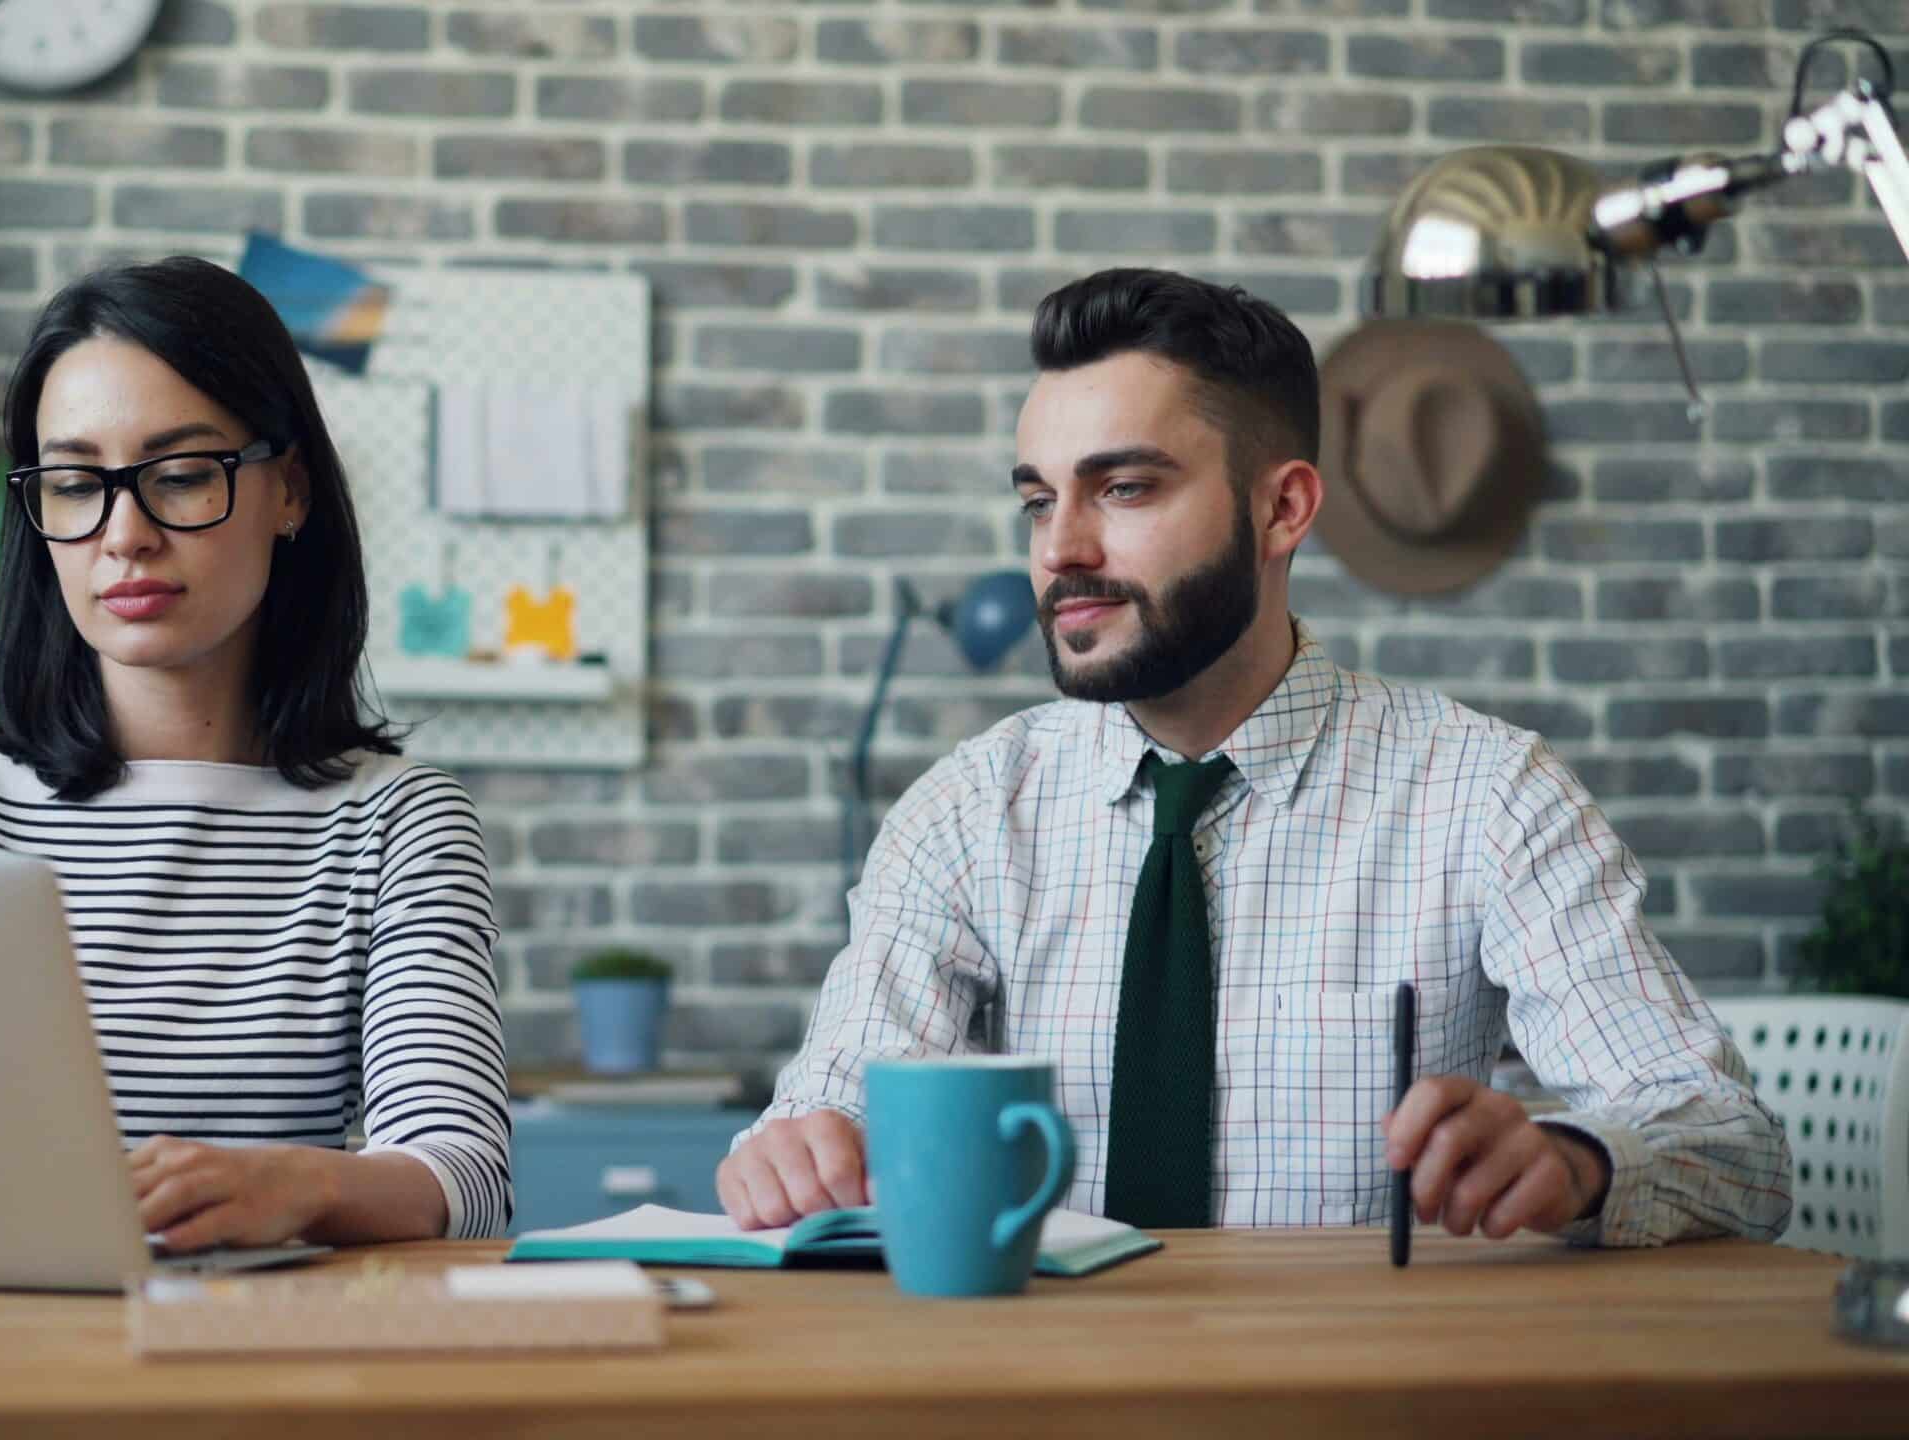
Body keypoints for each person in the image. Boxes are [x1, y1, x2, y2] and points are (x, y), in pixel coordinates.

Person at [719, 268, 1790, 1247]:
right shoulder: (964, 813)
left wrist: (1572, 1160)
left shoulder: (1488, 797)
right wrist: (800, 1153)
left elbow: (1735, 1152)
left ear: (1282, 507)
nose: (1059, 548)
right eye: (1039, 500)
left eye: (1124, 488)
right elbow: (831, 1103)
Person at [0, 256, 510, 1247]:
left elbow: (462, 1179)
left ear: (288, 490)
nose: (124, 535)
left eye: (183, 475)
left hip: (266, 1360)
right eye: (75, 484)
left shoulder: (395, 823)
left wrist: (301, 1186)